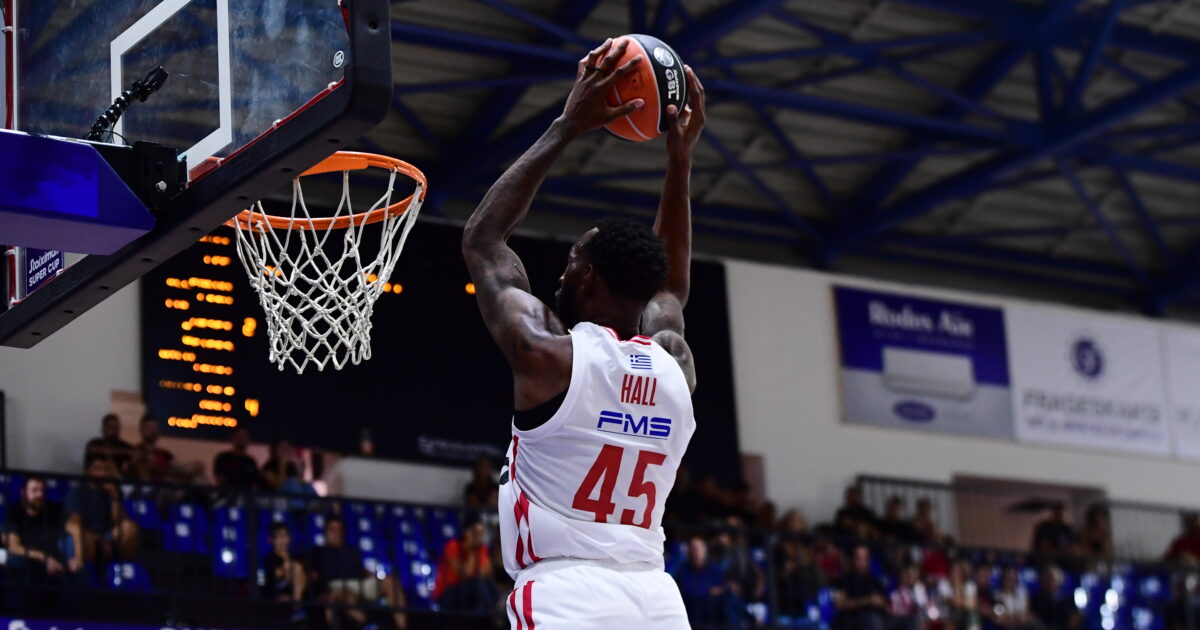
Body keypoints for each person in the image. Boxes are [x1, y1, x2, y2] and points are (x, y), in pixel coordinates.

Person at [462, 36, 705, 630]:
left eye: (572, 261)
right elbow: (670, 290)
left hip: (566, 593)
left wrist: (567, 125)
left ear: (588, 277)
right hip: (656, 600)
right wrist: (680, 160)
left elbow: (484, 241)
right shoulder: (674, 363)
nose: (562, 273)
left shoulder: (549, 356)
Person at [308, 516, 407, 630]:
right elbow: (314, 576)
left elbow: (362, 571)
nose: (337, 533)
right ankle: (367, 625)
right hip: (337, 586)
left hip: (360, 584)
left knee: (391, 582)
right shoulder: (318, 552)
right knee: (345, 594)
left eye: (340, 530)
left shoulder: (351, 551)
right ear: (326, 532)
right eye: (333, 530)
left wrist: (372, 576)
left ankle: (402, 626)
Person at [65, 456, 138, 569]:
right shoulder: (78, 492)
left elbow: (119, 520)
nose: (103, 473)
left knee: (129, 527)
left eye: (105, 469)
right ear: (88, 471)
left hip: (106, 535)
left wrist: (114, 495)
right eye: (98, 469)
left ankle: (125, 569)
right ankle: (86, 568)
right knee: (82, 533)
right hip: (87, 535)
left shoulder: (109, 492)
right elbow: (75, 522)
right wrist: (99, 539)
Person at [3, 477, 74, 581]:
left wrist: (78, 558)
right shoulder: (15, 512)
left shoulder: (54, 508)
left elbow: (75, 527)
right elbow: (14, 547)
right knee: (15, 563)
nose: (39, 494)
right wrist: (44, 557)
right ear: (23, 492)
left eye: (42, 490)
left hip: (58, 560)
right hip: (30, 561)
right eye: (34, 490)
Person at [433, 515, 499, 612]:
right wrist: (472, 550)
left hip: (470, 591)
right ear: (465, 532)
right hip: (449, 591)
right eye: (475, 533)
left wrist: (477, 550)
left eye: (481, 533)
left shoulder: (482, 548)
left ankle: (495, 609)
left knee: (487, 585)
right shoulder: (453, 546)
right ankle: (493, 611)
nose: (478, 537)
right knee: (478, 585)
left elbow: (487, 573)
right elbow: (467, 574)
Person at [672, 535, 727, 627]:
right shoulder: (682, 570)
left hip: (710, 613)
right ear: (689, 552)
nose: (696, 552)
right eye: (693, 548)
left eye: (698, 548)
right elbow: (686, 590)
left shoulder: (714, 569)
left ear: (705, 550)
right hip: (690, 610)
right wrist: (707, 592)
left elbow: (720, 588)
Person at [133, 414, 203, 484]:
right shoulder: (136, 451)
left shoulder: (165, 454)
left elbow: (179, 468)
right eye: (149, 428)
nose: (152, 431)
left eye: (155, 428)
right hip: (149, 486)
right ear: (141, 430)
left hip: (169, 484)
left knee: (197, 473)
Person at [835, 545, 889, 630]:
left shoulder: (874, 580)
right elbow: (840, 605)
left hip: (878, 617)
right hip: (853, 620)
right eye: (859, 558)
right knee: (873, 620)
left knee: (907, 620)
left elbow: (885, 602)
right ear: (853, 560)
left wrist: (882, 603)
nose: (862, 562)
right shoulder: (844, 580)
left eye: (865, 559)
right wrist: (867, 601)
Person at [261, 522, 306, 623]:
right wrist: (285, 566)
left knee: (297, 568)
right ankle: (297, 607)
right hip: (276, 588)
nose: (282, 540)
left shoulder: (294, 556)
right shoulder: (270, 557)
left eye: (285, 536)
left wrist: (287, 561)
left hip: (293, 590)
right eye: (279, 536)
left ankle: (296, 606)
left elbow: (302, 577)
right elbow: (275, 575)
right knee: (293, 567)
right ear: (271, 540)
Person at [83, 414, 134, 478]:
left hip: (119, 480)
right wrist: (124, 451)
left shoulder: (125, 446)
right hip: (95, 479)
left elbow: (135, 453)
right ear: (103, 428)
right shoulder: (94, 443)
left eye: (115, 427)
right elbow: (95, 449)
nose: (113, 430)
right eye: (110, 427)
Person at [1029, 566, 1079, 630]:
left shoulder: (1068, 600)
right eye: (1046, 579)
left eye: (1052, 579)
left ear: (1060, 581)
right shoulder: (1036, 599)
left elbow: (1072, 622)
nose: (1049, 582)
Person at [212, 427, 261, 491]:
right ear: (233, 438)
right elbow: (219, 478)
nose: (242, 439)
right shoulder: (223, 458)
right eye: (240, 436)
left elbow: (255, 482)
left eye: (245, 437)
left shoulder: (251, 461)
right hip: (227, 494)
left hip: (246, 495)